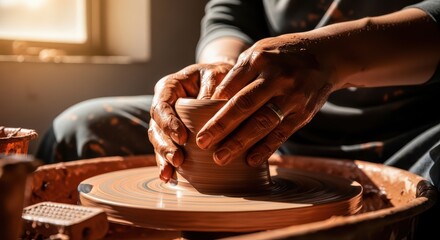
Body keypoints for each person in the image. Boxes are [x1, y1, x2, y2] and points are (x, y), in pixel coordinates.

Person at [36, 0, 439, 237]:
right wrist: (224, 73)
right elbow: (230, 13)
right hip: (267, 116)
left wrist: (328, 57)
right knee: (83, 127)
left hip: (415, 129)